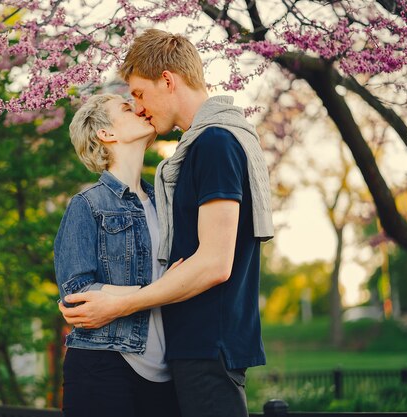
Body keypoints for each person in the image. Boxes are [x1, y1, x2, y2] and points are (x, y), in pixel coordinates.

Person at [59, 29, 275, 417]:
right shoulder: (181, 163)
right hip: (173, 355)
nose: (139, 108)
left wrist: (122, 302)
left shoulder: (213, 144)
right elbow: (77, 292)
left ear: (168, 81)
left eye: (138, 95)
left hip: (206, 345)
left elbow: (213, 263)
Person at [54, 93, 181, 417]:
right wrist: (158, 292)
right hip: (103, 366)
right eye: (126, 108)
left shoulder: (164, 203)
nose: (140, 107)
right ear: (106, 134)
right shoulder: (88, 204)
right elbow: (76, 292)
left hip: (165, 373)